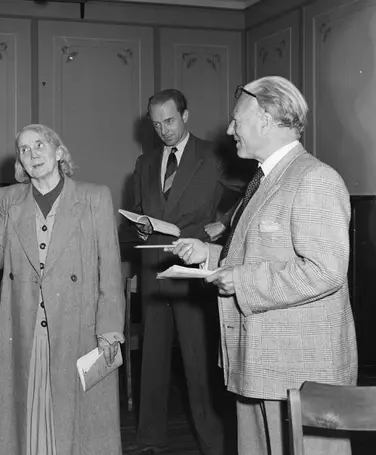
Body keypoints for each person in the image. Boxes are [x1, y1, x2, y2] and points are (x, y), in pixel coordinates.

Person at [169, 76, 358, 455]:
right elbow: (260, 253)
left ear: (267, 119)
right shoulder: (264, 179)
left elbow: (325, 271)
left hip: (301, 371)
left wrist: (240, 280)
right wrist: (210, 255)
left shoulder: (315, 179)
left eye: (236, 120)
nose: (229, 130)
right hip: (260, 363)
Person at [0, 124, 125, 455]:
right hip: (24, 325)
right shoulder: (8, 199)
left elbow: (110, 269)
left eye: (40, 145)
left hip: (77, 325)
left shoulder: (95, 197)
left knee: (77, 421)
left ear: (59, 152)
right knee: (26, 413)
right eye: (24, 149)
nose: (33, 153)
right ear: (19, 162)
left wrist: (110, 328)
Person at [132, 89, 244, 455]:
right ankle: (150, 437)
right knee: (152, 357)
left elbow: (252, 192)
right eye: (156, 124)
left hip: (193, 268)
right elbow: (141, 209)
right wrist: (141, 226)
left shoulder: (213, 154)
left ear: (185, 115)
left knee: (198, 360)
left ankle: (213, 442)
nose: (163, 130)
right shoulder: (145, 162)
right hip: (153, 268)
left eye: (169, 121)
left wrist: (224, 223)